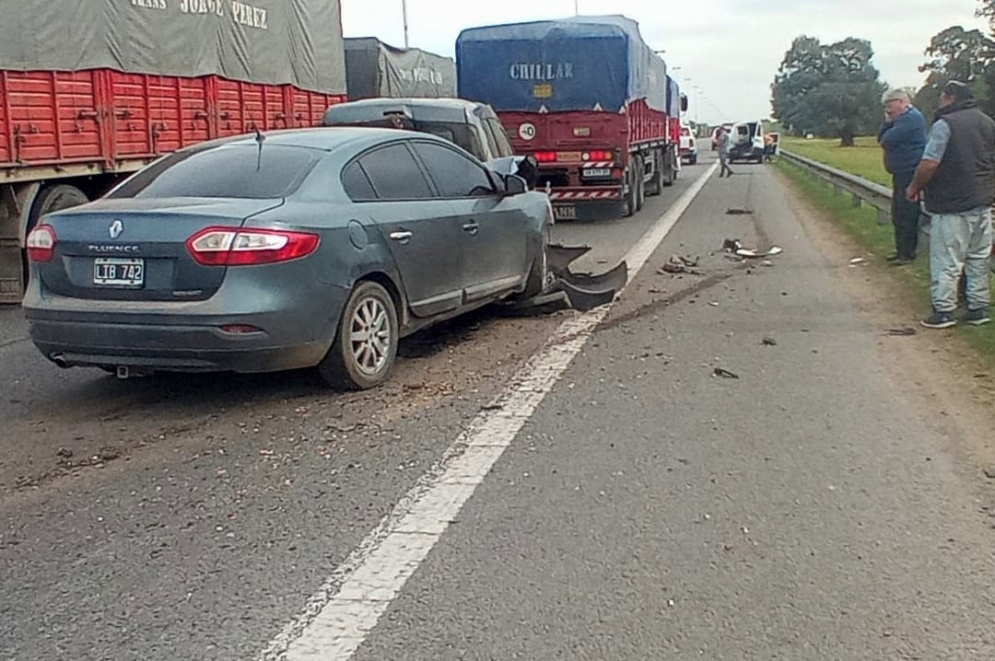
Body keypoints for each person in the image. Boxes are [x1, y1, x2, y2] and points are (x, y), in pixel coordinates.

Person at [906, 81, 995, 329]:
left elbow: (930, 163)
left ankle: (944, 310)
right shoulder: (987, 123)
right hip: (983, 201)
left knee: (947, 258)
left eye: (942, 97)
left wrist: (915, 186)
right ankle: (978, 307)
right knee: (978, 258)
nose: (940, 102)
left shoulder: (945, 125)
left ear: (951, 98)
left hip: (952, 202)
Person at [877, 89, 927, 266]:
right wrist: (888, 122)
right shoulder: (900, 119)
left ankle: (907, 253)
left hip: (909, 172)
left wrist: (890, 124)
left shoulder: (911, 119)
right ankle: (901, 251)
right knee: (898, 212)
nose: (888, 111)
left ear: (901, 102)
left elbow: (887, 140)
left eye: (890, 106)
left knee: (906, 212)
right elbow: (880, 137)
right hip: (901, 172)